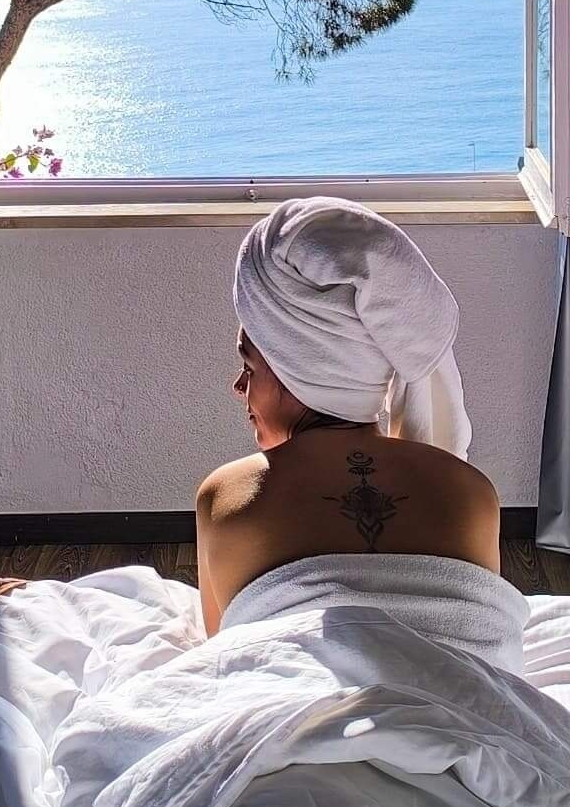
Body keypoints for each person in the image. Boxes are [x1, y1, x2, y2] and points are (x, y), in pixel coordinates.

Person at [195, 197, 501, 631]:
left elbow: (222, 655)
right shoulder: (471, 492)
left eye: (249, 367)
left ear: (299, 368)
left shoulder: (227, 498)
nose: (238, 387)